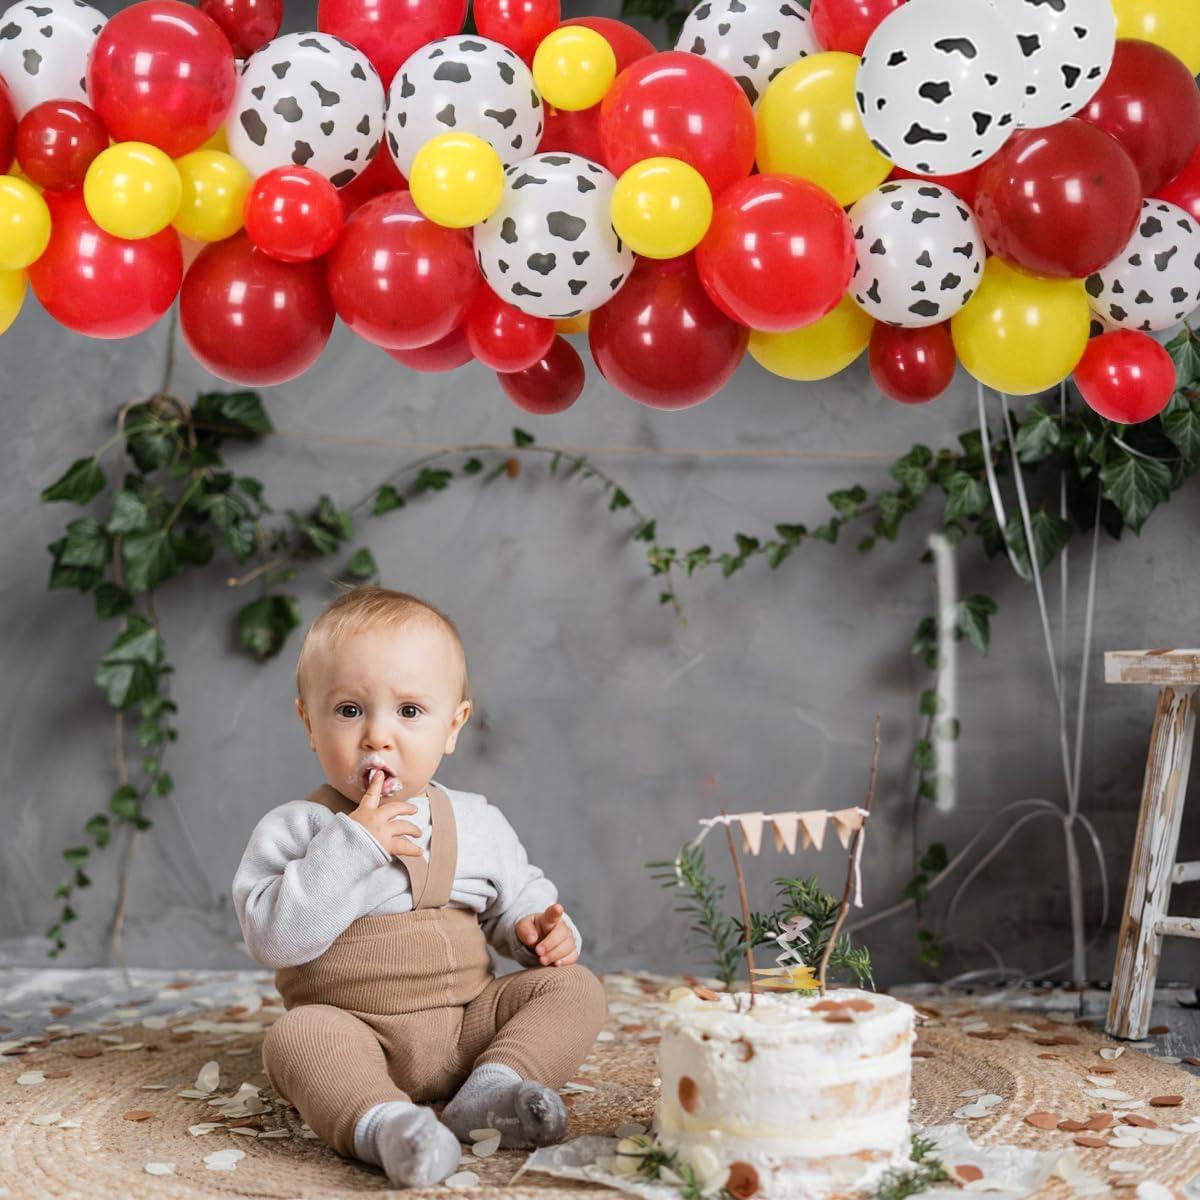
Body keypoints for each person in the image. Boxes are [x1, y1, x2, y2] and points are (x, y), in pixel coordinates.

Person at [232, 585, 607, 1187]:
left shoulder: (477, 821)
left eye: (409, 712)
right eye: (349, 710)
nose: (378, 736)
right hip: (358, 1034)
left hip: (467, 1027)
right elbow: (274, 940)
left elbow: (518, 898)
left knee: (574, 989)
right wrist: (354, 845)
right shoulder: (299, 830)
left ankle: (495, 1088)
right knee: (296, 1040)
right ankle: (386, 1126)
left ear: (452, 726)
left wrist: (535, 931)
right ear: (309, 721)